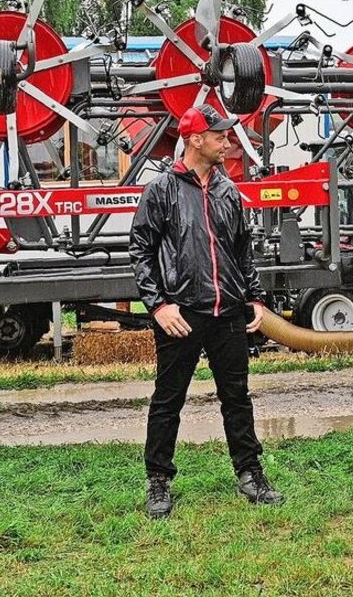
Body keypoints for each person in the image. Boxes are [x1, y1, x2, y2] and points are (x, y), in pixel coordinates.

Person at [129, 104, 281, 519]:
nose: (228, 142)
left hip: (228, 312)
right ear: (196, 139)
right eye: (220, 136)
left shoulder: (228, 190)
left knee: (237, 398)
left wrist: (254, 298)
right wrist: (158, 305)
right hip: (181, 314)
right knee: (168, 400)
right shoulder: (161, 189)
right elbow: (140, 251)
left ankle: (250, 473)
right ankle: (158, 481)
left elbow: (241, 250)